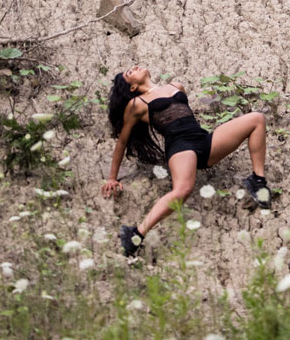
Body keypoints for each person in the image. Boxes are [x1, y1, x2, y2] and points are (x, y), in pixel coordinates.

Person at [101, 64, 271, 257]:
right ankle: (136, 235)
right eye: (130, 72)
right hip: (180, 147)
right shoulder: (137, 104)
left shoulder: (176, 86)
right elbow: (122, 141)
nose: (136, 67)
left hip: (203, 141)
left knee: (256, 119)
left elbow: (183, 114)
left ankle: (258, 180)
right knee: (183, 190)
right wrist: (112, 177)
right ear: (132, 87)